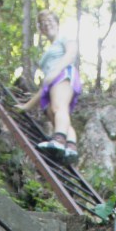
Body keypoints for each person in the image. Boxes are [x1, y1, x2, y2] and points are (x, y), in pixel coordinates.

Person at [15, 9, 82, 163]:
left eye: (50, 21)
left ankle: (59, 140)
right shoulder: (50, 49)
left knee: (59, 108)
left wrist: (56, 71)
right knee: (55, 113)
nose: (46, 25)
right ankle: (71, 146)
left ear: (57, 23)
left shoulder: (65, 38)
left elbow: (71, 54)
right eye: (42, 23)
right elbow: (45, 85)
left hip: (63, 74)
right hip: (52, 80)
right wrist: (26, 106)